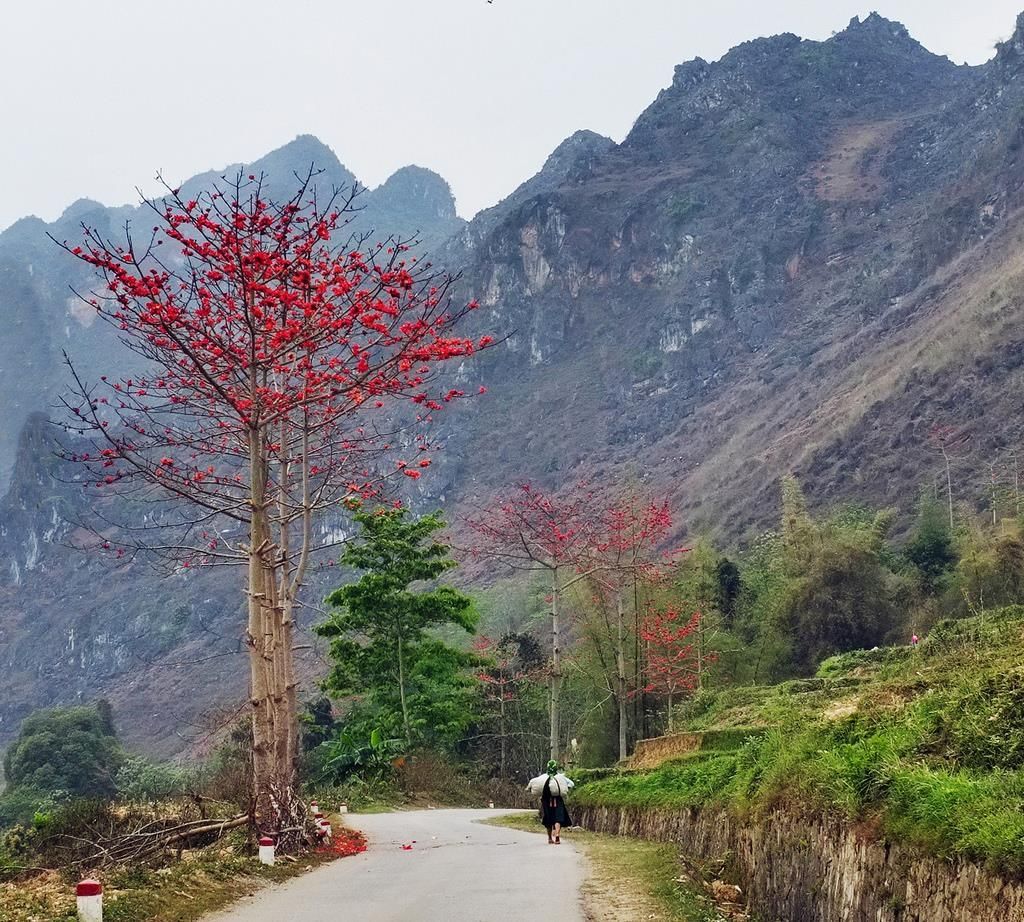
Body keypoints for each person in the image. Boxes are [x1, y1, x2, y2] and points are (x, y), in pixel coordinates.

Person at [527, 760, 574, 844]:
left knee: (548, 818)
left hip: (546, 800)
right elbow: (571, 784)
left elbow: (532, 784)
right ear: (556, 768)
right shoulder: (560, 777)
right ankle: (557, 835)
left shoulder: (543, 777)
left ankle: (549, 838)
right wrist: (565, 788)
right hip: (558, 800)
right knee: (558, 818)